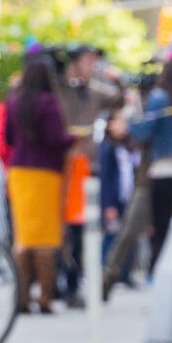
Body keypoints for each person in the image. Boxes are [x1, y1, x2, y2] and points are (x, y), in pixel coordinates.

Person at [0, 47, 72, 313]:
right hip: (45, 174)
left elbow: (7, 139)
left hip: (19, 173)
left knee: (23, 236)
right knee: (45, 239)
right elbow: (56, 140)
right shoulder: (50, 104)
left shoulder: (14, 102)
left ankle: (21, 299)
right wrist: (76, 138)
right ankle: (44, 298)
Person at [56, 46, 122, 305]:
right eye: (88, 61)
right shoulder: (59, 88)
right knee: (61, 230)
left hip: (88, 168)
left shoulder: (95, 91)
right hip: (63, 167)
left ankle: (74, 284)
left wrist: (120, 80)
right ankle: (57, 282)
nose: (93, 66)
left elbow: (117, 99)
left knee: (83, 229)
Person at [132, 55, 172, 268]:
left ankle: (158, 272)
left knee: (159, 228)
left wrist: (131, 115)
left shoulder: (160, 98)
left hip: (162, 169)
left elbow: (143, 131)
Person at [99, 110, 138, 286]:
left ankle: (125, 274)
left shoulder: (129, 146)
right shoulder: (107, 147)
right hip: (114, 200)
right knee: (112, 237)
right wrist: (108, 205)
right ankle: (107, 272)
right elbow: (105, 178)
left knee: (129, 236)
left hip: (129, 198)